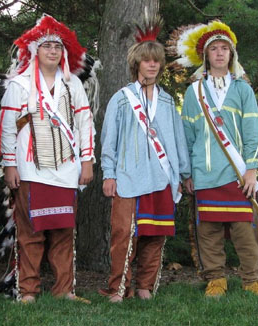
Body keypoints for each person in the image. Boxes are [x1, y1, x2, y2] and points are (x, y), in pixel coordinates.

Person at [168, 20, 258, 297]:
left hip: (238, 175)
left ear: (231, 55)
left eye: (224, 48)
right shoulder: (194, 92)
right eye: (213, 48)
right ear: (206, 55)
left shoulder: (243, 90)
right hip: (204, 172)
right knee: (209, 231)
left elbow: (254, 131)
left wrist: (251, 169)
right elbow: (187, 135)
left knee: (245, 230)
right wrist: (187, 173)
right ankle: (216, 279)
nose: (219, 53)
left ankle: (252, 280)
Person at [0, 14, 95, 304]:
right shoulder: (19, 85)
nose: (53, 51)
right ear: (35, 51)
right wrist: (10, 165)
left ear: (63, 53)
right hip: (30, 170)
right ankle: (28, 290)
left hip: (67, 169)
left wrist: (87, 161)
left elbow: (85, 123)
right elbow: (7, 127)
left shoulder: (73, 85)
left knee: (64, 232)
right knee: (30, 233)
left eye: (57, 47)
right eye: (47, 46)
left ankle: (64, 290)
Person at [99, 12, 191, 303]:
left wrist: (183, 175)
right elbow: (109, 140)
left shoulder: (166, 101)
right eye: (146, 59)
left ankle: (144, 287)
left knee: (154, 234)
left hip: (162, 177)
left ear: (161, 65)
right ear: (136, 63)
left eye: (156, 60)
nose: (152, 64)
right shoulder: (122, 99)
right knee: (124, 235)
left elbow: (177, 142)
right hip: (128, 177)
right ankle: (117, 288)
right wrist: (108, 173)